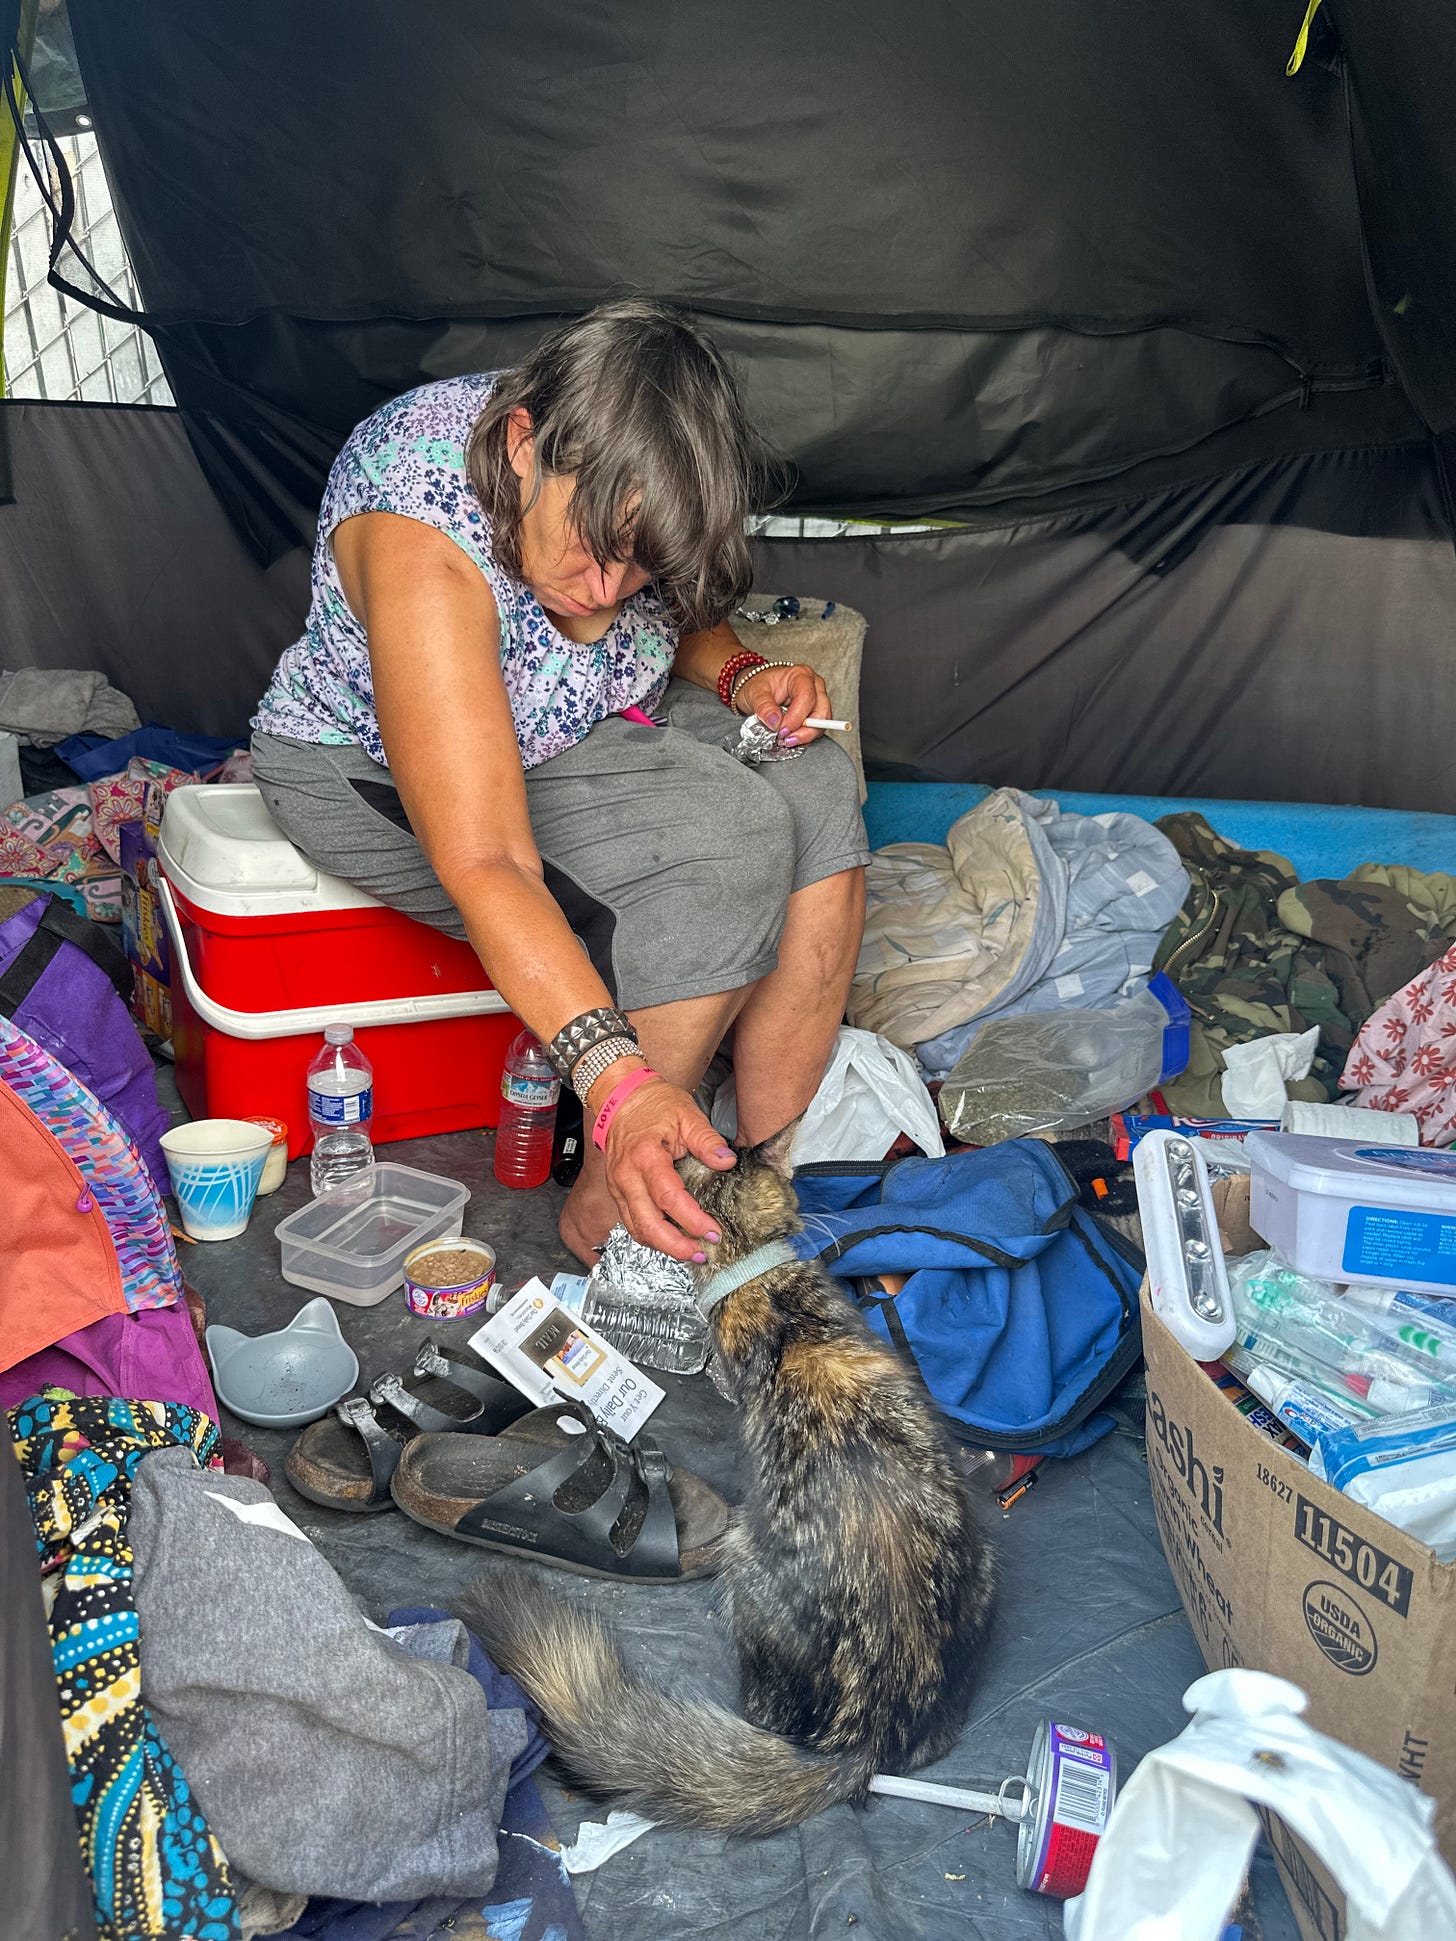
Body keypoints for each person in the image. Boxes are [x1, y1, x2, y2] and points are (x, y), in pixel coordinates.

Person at [251, 300, 868, 1265]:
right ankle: (613, 1212)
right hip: (365, 766)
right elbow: (488, 857)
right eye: (591, 548)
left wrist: (745, 674)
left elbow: (679, 601)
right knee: (731, 838)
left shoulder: (614, 483)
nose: (607, 589)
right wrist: (621, 1089)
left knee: (816, 780)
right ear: (523, 444)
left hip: (572, 718)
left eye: (639, 562)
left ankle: (759, 1186)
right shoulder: (421, 538)